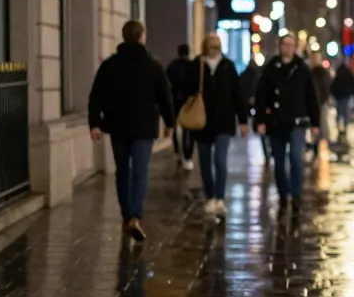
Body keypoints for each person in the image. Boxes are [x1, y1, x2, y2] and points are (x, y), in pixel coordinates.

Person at [88, 20, 175, 242]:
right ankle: (135, 215)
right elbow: (164, 96)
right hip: (144, 127)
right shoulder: (152, 65)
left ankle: (127, 215)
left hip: (117, 125)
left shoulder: (110, 65)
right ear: (141, 37)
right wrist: (170, 122)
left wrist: (95, 123)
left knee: (122, 171)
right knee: (140, 171)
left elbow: (96, 95)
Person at [185, 34, 248, 222]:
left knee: (220, 160)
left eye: (216, 44)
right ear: (205, 46)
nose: (214, 47)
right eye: (211, 44)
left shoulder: (228, 67)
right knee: (205, 162)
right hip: (202, 122)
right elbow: (186, 89)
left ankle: (219, 198)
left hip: (224, 122)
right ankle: (210, 196)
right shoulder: (197, 65)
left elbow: (238, 95)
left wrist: (243, 121)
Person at [255, 35, 320, 206]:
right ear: (280, 46)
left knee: (296, 158)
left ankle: (296, 194)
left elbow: (311, 97)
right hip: (275, 122)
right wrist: (260, 120)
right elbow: (261, 95)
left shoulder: (302, 69)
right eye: (285, 44)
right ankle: (283, 194)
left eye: (291, 45)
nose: (288, 48)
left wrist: (315, 122)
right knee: (278, 159)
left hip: (296, 122)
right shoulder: (271, 68)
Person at [166, 44, 195, 171]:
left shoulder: (172, 66)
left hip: (175, 100)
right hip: (189, 101)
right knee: (189, 127)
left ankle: (178, 149)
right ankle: (187, 152)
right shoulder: (192, 66)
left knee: (174, 125)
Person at [239, 58, 272, 162]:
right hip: (260, 106)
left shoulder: (243, 76)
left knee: (259, 126)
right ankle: (267, 149)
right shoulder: (261, 75)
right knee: (263, 127)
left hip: (250, 104)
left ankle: (266, 151)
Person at [307, 52, 332, 164]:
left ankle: (316, 147)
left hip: (320, 103)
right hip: (313, 103)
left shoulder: (321, 73)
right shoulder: (309, 73)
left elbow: (326, 88)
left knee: (319, 126)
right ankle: (314, 147)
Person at [331, 61, 354, 138]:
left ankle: (339, 127)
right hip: (345, 96)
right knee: (345, 112)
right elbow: (353, 85)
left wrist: (334, 94)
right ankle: (345, 127)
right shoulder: (349, 75)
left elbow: (333, 86)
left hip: (339, 96)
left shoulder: (338, 76)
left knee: (339, 112)